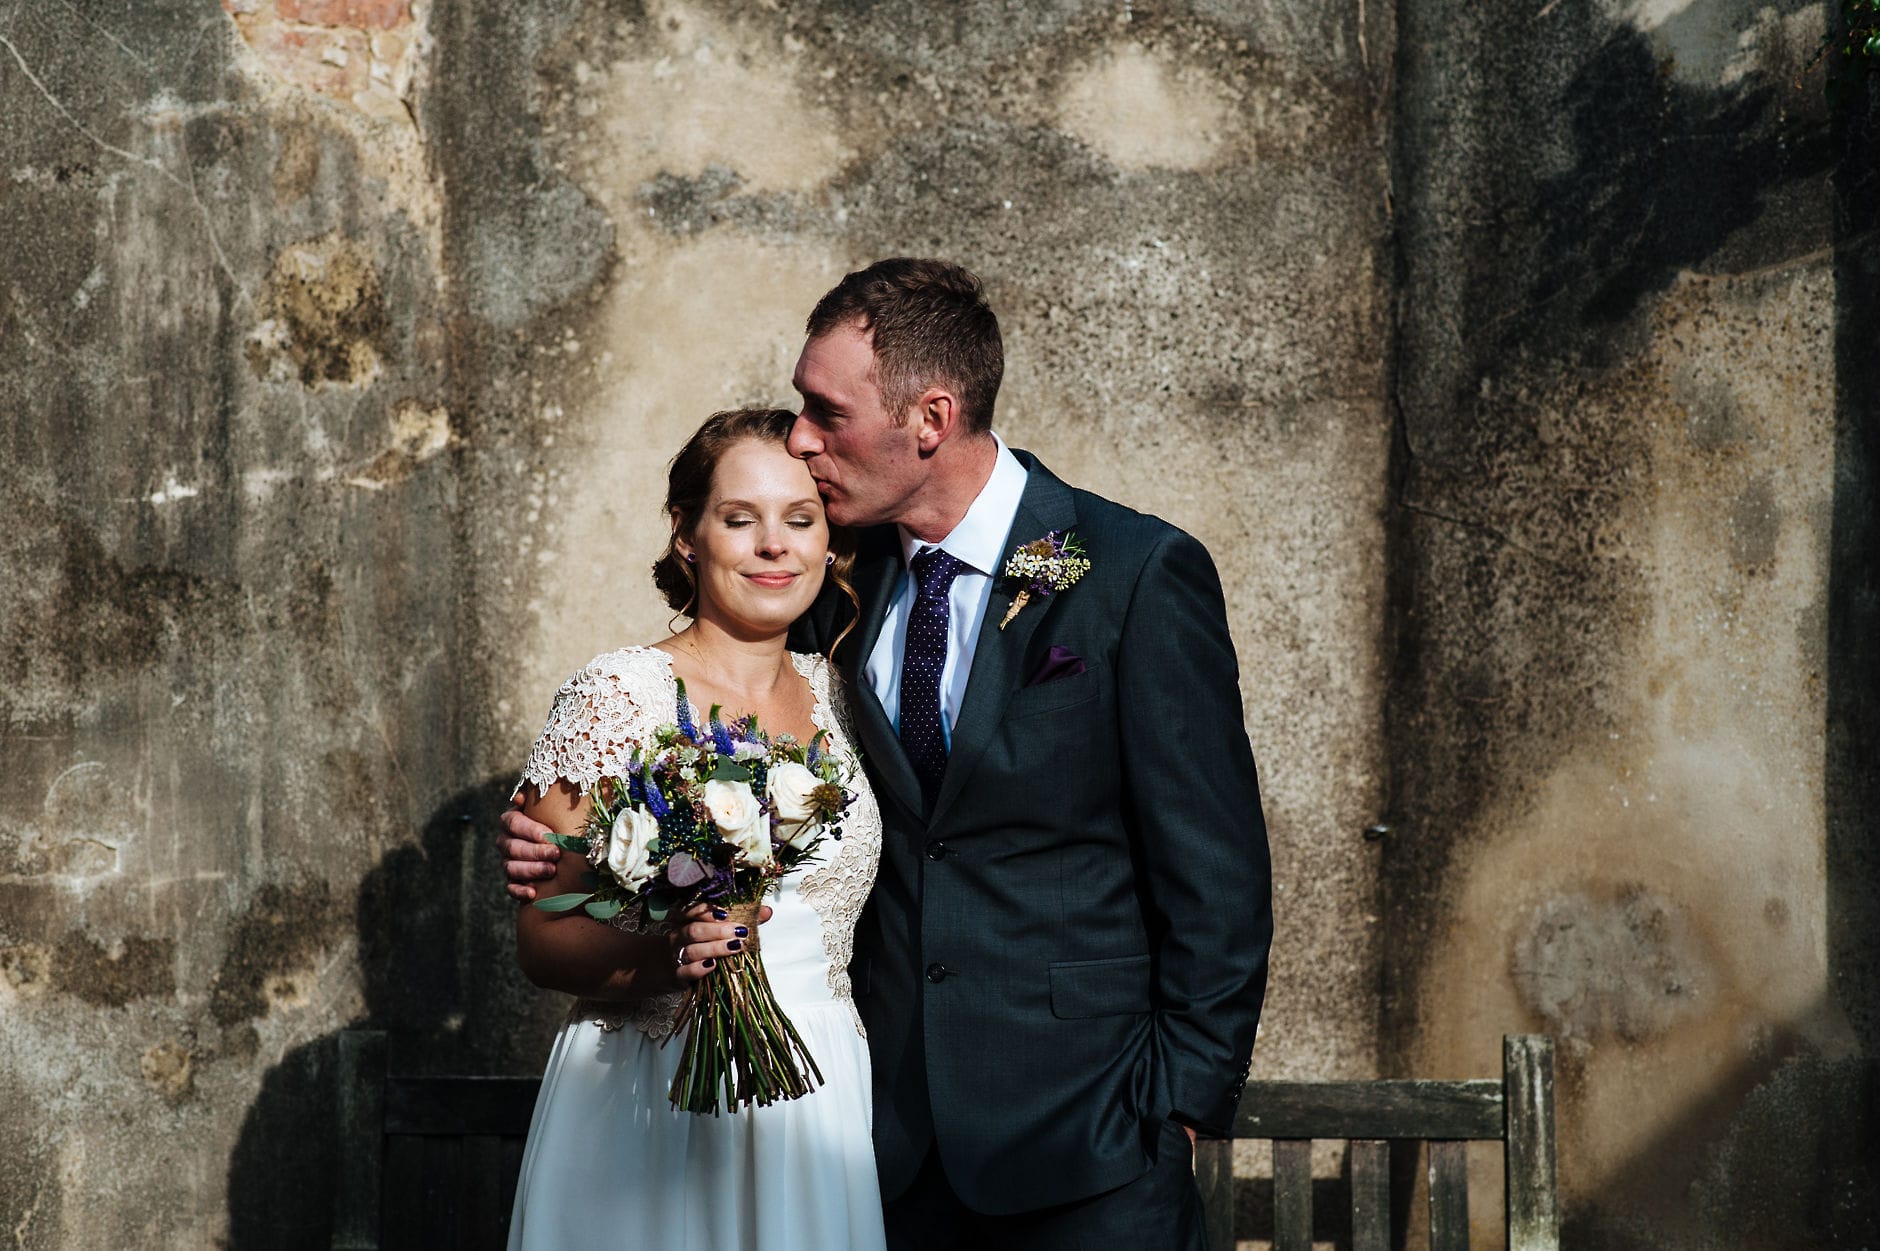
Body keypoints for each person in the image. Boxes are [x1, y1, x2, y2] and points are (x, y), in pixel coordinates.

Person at [503, 260, 1272, 1250]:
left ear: (929, 418)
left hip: (1089, 1139)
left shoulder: (1116, 572)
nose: (800, 439)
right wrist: (560, 831)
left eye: (825, 412)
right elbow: (696, 702)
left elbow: (1214, 870)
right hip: (874, 1138)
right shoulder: (839, 579)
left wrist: (1181, 1105)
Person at [504, 407, 887, 1251]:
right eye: (738, 518)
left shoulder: (851, 694)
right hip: (650, 1088)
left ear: (832, 539)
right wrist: (666, 953)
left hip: (817, 1093)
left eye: (800, 518)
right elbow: (540, 937)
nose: (772, 546)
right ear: (687, 534)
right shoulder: (616, 693)